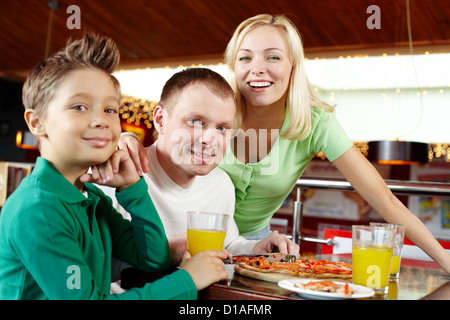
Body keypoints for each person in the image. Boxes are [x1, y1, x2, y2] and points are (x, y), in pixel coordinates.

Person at [125, 14, 450, 275]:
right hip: (176, 231)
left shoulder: (315, 123)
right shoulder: (220, 107)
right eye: (245, 57)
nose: (257, 68)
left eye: (273, 57)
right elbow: (169, 140)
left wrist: (444, 260)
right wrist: (124, 140)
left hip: (251, 242)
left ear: (293, 65)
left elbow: (382, 198)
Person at [0, 34, 228, 300]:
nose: (101, 120)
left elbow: (153, 258)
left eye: (110, 109)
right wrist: (188, 280)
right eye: (80, 106)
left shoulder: (90, 196)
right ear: (37, 122)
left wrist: (132, 186)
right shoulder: (39, 209)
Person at [103, 67, 299, 267]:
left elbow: (227, 244)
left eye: (222, 128)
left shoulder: (221, 183)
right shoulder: (118, 176)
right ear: (161, 120)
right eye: (196, 122)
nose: (209, 140)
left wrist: (255, 248)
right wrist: (167, 253)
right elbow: (99, 266)